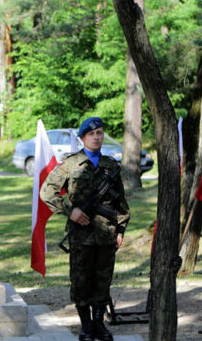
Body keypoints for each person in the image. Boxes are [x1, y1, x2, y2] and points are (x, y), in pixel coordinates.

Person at [40, 117, 130, 341]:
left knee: (103, 280)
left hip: (107, 234)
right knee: (80, 281)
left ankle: (99, 323)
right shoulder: (70, 164)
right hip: (81, 235)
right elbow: (46, 192)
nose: (97, 137)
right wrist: (70, 211)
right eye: (92, 134)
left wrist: (120, 230)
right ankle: (86, 326)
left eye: (100, 133)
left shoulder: (111, 165)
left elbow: (121, 203)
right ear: (82, 138)